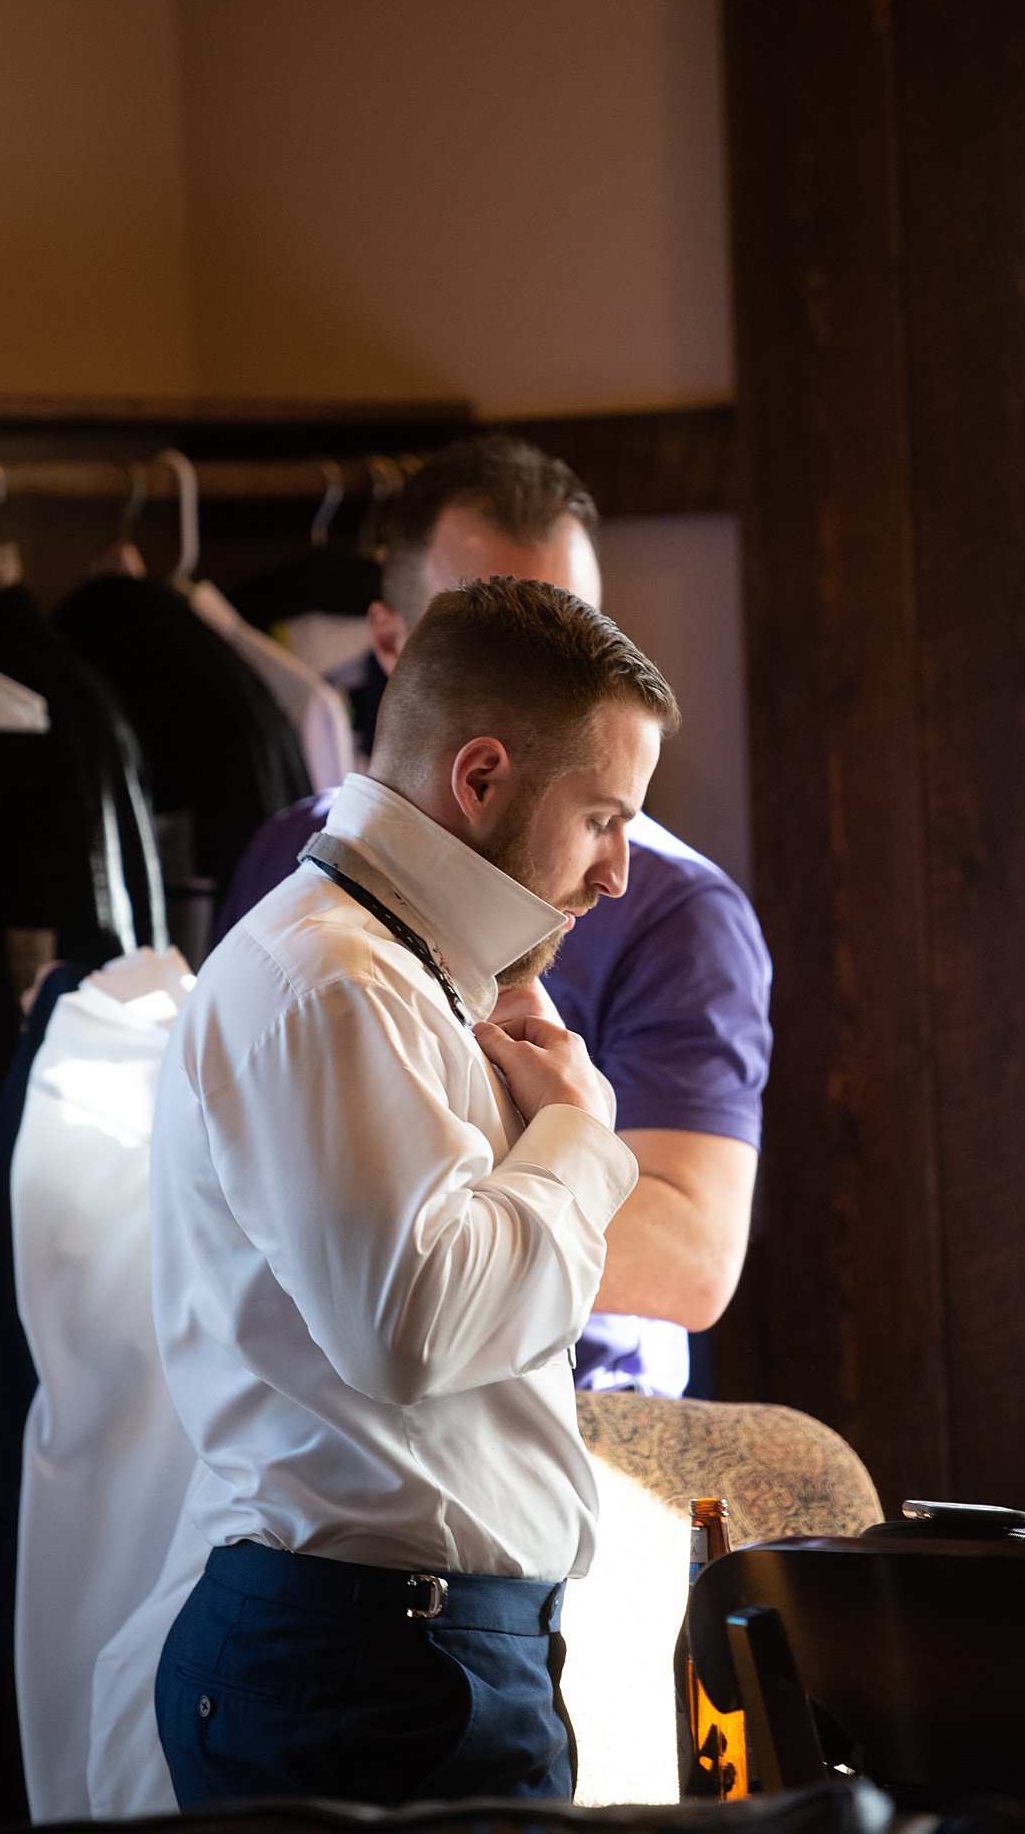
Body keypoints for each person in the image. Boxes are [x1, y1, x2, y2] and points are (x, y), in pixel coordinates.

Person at [150, 578, 678, 1807]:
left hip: (419, 1659)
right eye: (602, 816)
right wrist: (581, 1138)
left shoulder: (409, 976)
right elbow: (413, 1325)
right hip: (367, 1675)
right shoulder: (330, 981)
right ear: (480, 776)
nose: (616, 872)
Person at [216, 436, 772, 1396]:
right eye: (488, 627)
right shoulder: (290, 870)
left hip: (593, 1419)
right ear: (395, 647)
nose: (544, 671)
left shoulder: (675, 909)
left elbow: (693, 1255)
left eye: (571, 626)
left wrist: (465, 1191)